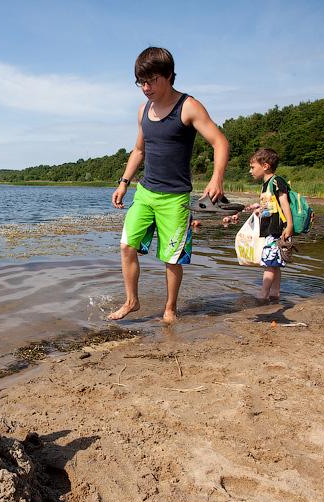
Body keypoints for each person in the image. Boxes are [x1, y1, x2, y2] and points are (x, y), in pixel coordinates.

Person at [109, 47, 229, 323]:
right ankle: (132, 301)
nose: (146, 88)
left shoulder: (188, 106)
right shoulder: (143, 110)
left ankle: (170, 309)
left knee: (172, 258)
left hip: (175, 199)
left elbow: (219, 142)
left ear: (170, 76)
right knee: (127, 246)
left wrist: (216, 177)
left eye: (152, 81)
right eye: (141, 82)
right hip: (145, 193)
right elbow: (139, 150)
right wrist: (124, 183)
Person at [246, 147, 294, 302]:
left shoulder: (277, 181)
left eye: (253, 167)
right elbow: (271, 206)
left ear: (265, 166)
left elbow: (284, 203)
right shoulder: (265, 185)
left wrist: (289, 225)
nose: (250, 171)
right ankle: (275, 293)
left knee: (269, 263)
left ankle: (263, 294)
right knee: (275, 264)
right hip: (269, 229)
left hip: (277, 230)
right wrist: (258, 209)